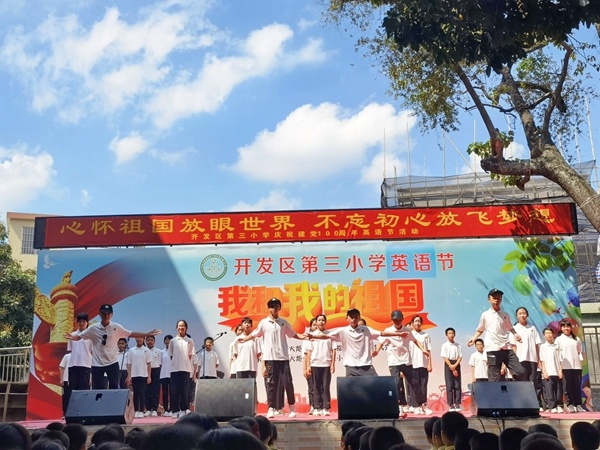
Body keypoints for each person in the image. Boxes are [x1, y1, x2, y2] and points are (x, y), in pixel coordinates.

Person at [237, 297, 306, 419]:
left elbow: (294, 334)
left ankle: (291, 407)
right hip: (270, 358)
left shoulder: (283, 322)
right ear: (268, 308)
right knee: (271, 384)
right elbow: (255, 334)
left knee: (287, 382)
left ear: (280, 308)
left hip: (283, 358)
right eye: (272, 306)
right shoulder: (264, 323)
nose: (274, 308)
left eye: (276, 306)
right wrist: (245, 339)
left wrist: (305, 337)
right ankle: (271, 408)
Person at [65, 304, 161, 389]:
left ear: (112, 315)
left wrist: (146, 333)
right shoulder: (93, 328)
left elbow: (131, 333)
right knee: (97, 389)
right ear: (99, 314)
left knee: (114, 387)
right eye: (104, 313)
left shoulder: (117, 327)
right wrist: (71, 337)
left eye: (108, 313)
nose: (106, 315)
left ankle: (113, 404)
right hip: (97, 364)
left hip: (112, 362)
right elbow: (79, 337)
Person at [308, 308, 408, 377]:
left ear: (359, 318)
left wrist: (398, 334)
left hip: (366, 365)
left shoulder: (366, 329)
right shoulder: (343, 331)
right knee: (352, 393)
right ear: (347, 318)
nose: (354, 319)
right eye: (351, 317)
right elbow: (326, 336)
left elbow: (382, 333)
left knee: (375, 388)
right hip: (351, 366)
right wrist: (312, 336)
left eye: (356, 317)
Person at [375, 310, 430, 415]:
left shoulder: (407, 330)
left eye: (399, 319)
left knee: (414, 383)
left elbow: (415, 341)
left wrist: (423, 350)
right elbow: (381, 342)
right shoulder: (388, 330)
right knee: (396, 383)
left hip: (406, 361)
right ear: (392, 320)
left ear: (402, 319)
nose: (398, 321)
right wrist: (377, 351)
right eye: (395, 320)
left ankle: (417, 405)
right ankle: (400, 406)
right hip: (394, 362)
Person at [467, 288, 525, 382]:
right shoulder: (485, 315)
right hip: (492, 349)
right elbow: (480, 329)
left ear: (501, 299)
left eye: (498, 297)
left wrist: (515, 334)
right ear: (489, 299)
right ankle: (495, 392)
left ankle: (514, 389)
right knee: (495, 378)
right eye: (494, 298)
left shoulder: (505, 314)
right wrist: (474, 338)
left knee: (519, 372)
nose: (496, 300)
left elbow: (510, 328)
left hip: (506, 348)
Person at [510, 306, 543, 407]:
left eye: (524, 313)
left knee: (532, 382)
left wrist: (539, 359)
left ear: (527, 315)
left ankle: (532, 404)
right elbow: (513, 346)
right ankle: (520, 403)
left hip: (532, 359)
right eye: (520, 313)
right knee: (521, 381)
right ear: (517, 316)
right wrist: (514, 361)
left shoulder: (532, 328)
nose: (522, 315)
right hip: (520, 359)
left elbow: (537, 345)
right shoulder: (514, 329)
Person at [305, 314, 336, 416]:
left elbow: (334, 350)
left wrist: (333, 364)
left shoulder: (330, 335)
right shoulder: (312, 335)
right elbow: (309, 351)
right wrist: (308, 366)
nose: (321, 322)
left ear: (325, 322)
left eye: (323, 320)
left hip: (326, 364)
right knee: (316, 387)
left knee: (326, 387)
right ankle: (317, 407)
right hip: (315, 364)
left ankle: (325, 407)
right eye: (319, 320)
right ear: (316, 322)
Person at [555, 319, 584, 412]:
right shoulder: (559, 339)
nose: (566, 328)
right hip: (565, 366)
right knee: (567, 386)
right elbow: (557, 354)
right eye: (564, 327)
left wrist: (580, 365)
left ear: (571, 328)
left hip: (576, 366)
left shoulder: (576, 339)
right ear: (561, 328)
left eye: (568, 326)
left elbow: (579, 352)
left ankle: (578, 404)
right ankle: (570, 404)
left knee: (577, 386)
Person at [169, 320, 195, 418]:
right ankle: (175, 410)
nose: (181, 327)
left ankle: (184, 409)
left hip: (185, 368)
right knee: (174, 390)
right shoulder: (173, 341)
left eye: (183, 326)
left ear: (186, 328)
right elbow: (171, 355)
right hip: (174, 369)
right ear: (177, 328)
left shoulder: (190, 340)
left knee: (184, 390)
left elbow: (190, 355)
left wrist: (185, 363)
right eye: (179, 326)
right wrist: (177, 362)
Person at [410, 314, 433, 415]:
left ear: (422, 323)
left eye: (419, 321)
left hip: (423, 364)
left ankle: (424, 405)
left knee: (423, 386)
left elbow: (428, 350)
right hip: (412, 364)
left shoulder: (425, 335)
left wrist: (429, 364)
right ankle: (416, 406)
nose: (417, 323)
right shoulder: (409, 335)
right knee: (414, 386)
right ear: (412, 323)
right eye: (415, 321)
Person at [126, 336, 152, 418]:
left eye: (140, 337)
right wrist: (129, 375)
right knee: (136, 393)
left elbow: (149, 364)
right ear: (135, 339)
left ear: (143, 339)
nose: (139, 339)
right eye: (137, 337)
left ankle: (141, 410)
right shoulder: (131, 350)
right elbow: (129, 364)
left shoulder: (146, 350)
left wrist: (149, 376)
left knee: (142, 392)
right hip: (134, 375)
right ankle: (136, 410)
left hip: (143, 374)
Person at [539, 327, 563, 413]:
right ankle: (552, 406)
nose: (549, 335)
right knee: (549, 390)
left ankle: (559, 405)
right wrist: (544, 371)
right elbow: (542, 360)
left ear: (553, 334)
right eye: (547, 333)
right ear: (544, 335)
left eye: (550, 333)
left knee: (559, 390)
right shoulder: (543, 346)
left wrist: (560, 371)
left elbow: (560, 360)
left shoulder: (557, 346)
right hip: (548, 372)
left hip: (557, 371)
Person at [67, 312, 92, 391]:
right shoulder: (72, 335)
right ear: (77, 322)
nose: (81, 323)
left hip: (85, 365)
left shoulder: (90, 336)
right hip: (73, 365)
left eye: (83, 321)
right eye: (80, 321)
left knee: (84, 389)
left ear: (87, 323)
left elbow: (92, 351)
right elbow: (70, 350)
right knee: (73, 389)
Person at [441, 327, 462, 412]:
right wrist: (451, 366)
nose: (451, 335)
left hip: (456, 364)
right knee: (449, 385)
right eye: (449, 333)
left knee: (457, 385)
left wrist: (455, 365)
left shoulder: (458, 345)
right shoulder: (445, 345)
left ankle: (457, 403)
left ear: (455, 334)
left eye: (452, 333)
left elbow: (460, 357)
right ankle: (451, 404)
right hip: (448, 364)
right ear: (446, 335)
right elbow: (445, 357)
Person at [303, 318, 318, 414]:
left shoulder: (323, 337)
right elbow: (305, 355)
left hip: (320, 365)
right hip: (310, 366)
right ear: (311, 327)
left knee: (320, 387)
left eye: (317, 324)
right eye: (314, 325)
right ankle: (312, 406)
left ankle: (319, 406)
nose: (316, 326)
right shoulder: (307, 340)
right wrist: (305, 368)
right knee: (311, 387)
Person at [145, 335, 162, 417]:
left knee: (155, 390)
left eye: (151, 340)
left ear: (154, 341)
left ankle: (154, 409)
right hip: (146, 371)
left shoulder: (158, 351)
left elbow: (161, 363)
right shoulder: (144, 350)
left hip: (156, 371)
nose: (150, 342)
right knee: (147, 390)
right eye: (148, 340)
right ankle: (148, 409)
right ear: (146, 341)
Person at [159, 334, 173, 417]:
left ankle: (171, 409)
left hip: (172, 374)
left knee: (172, 392)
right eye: (166, 340)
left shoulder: (174, 352)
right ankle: (165, 409)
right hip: (164, 374)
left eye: (169, 340)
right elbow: (160, 364)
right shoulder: (162, 352)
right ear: (164, 341)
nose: (168, 341)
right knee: (165, 393)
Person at [58, 352, 71, 416]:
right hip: (66, 379)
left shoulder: (80, 356)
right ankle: (65, 413)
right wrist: (61, 379)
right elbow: (62, 367)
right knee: (66, 397)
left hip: (76, 380)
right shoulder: (67, 356)